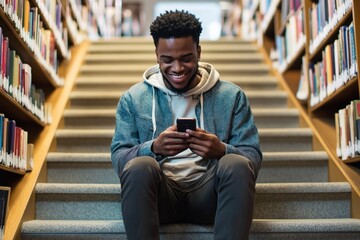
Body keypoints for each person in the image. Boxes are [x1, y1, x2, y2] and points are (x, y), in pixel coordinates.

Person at [110, 10, 262, 240]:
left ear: (199, 52)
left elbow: (253, 158)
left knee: (237, 163)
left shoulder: (232, 97)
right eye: (167, 60)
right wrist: (153, 148)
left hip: (211, 195)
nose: (178, 68)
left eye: (186, 58)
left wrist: (221, 150)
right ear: (156, 55)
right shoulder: (133, 99)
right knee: (139, 165)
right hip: (161, 196)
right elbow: (119, 159)